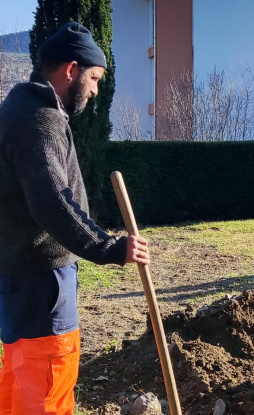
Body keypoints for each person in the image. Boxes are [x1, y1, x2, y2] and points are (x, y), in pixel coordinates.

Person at [0, 22, 150, 414]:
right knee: (47, 387)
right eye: (94, 77)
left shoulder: (16, 108)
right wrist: (110, 247)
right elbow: (51, 200)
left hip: (18, 275)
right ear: (71, 70)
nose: (96, 89)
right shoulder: (39, 119)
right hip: (42, 280)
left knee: (19, 386)